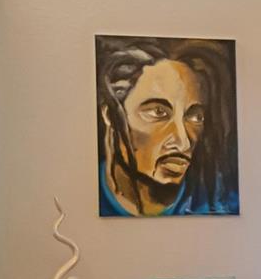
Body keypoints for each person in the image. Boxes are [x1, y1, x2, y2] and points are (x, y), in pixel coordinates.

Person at [97, 37, 239, 216]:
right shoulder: (81, 194)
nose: (183, 142)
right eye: (158, 112)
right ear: (110, 115)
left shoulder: (222, 204)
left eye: (196, 117)